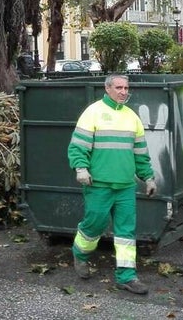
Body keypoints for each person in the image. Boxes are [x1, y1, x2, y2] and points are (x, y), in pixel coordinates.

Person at [67, 74, 157, 295]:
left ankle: (126, 277)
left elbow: (140, 154)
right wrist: (81, 168)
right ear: (107, 89)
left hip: (126, 186)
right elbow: (78, 146)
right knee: (94, 225)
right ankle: (80, 253)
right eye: (118, 87)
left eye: (126, 87)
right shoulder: (93, 112)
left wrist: (148, 177)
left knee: (126, 232)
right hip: (99, 184)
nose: (123, 91)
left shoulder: (132, 117)